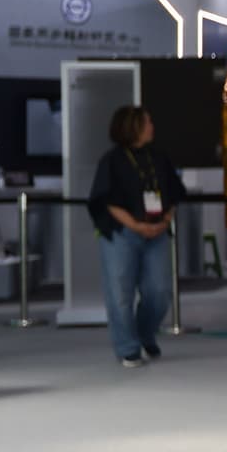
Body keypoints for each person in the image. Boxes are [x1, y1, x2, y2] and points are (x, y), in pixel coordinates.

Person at [88, 104, 186, 369]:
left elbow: (174, 194)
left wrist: (164, 220)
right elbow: (106, 201)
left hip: (157, 233)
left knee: (159, 292)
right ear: (134, 127)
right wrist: (136, 225)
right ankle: (128, 348)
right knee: (120, 293)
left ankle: (144, 333)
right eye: (148, 122)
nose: (152, 127)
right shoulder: (112, 161)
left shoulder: (159, 158)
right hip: (121, 233)